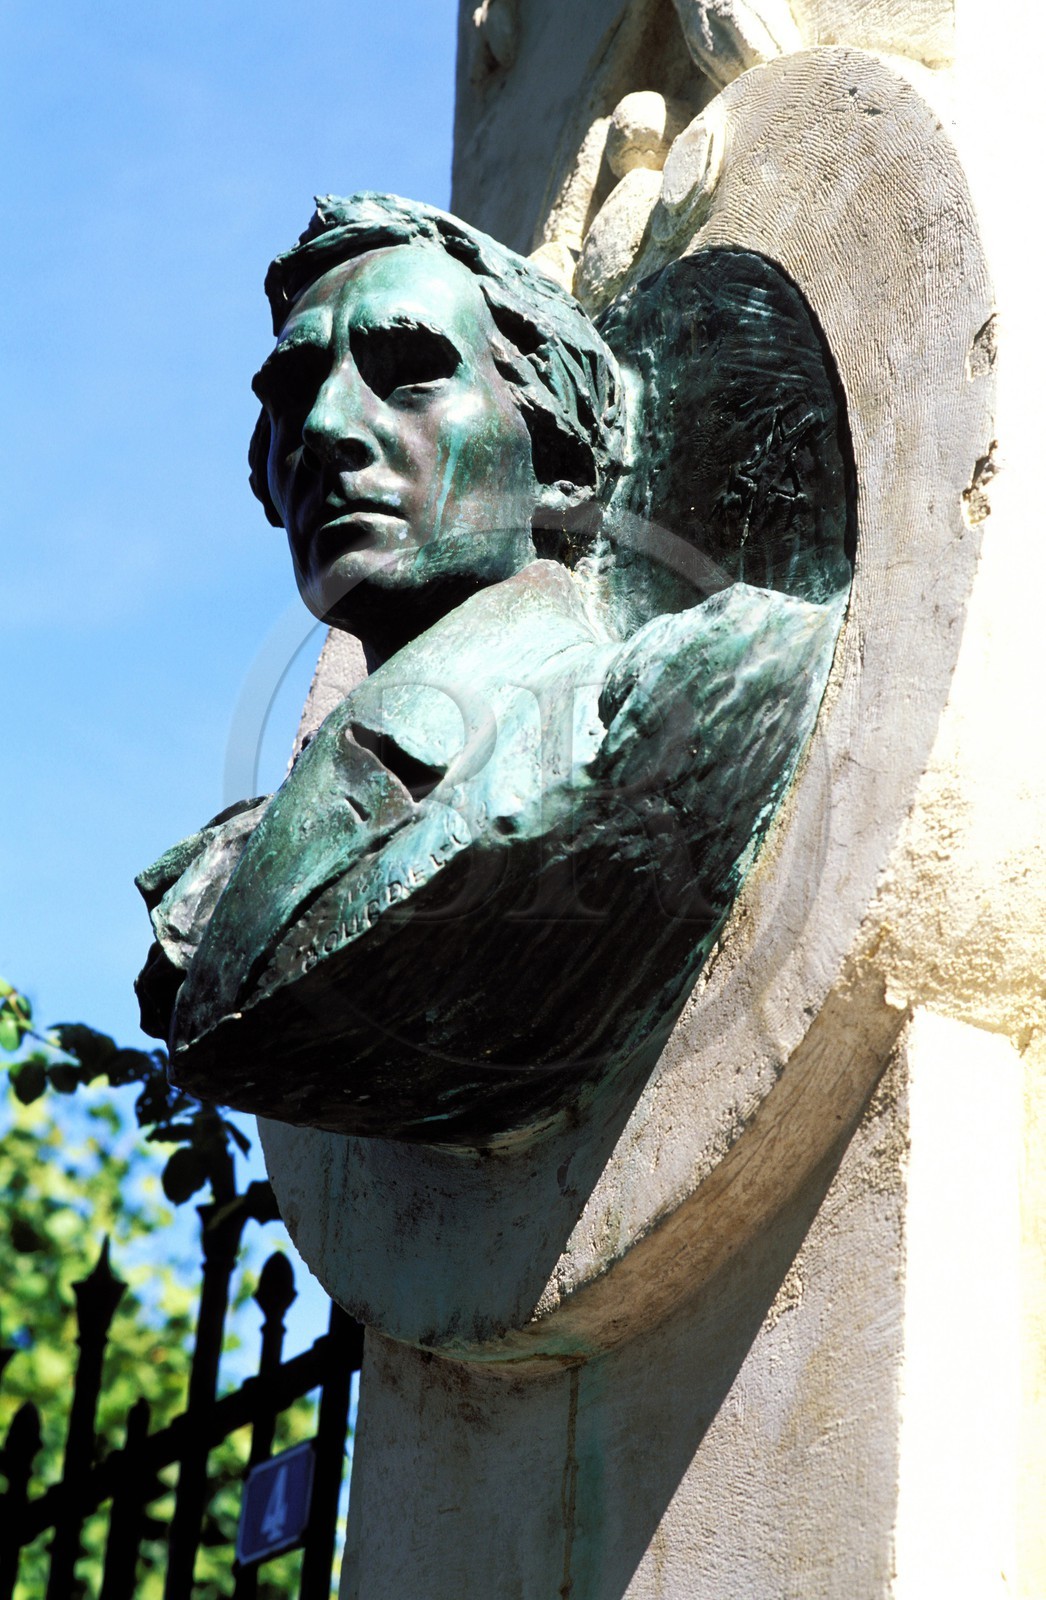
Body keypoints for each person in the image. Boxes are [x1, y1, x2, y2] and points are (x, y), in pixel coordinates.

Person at [136, 192, 850, 1147]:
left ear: (554, 458)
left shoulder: (690, 694)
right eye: (295, 390)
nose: (326, 427)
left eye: (411, 375)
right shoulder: (215, 886)